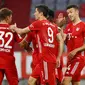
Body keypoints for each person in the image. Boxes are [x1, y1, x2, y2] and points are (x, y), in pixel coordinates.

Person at [10, 4, 64, 85]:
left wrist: (14, 28)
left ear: (41, 14)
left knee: (47, 83)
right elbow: (61, 40)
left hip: (46, 59)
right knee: (31, 81)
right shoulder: (54, 26)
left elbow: (21, 31)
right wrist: (58, 57)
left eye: (36, 12)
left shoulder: (38, 23)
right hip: (45, 59)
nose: (34, 14)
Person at [60, 5, 85, 85]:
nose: (69, 14)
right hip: (70, 59)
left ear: (77, 12)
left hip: (78, 58)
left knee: (65, 82)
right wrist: (61, 27)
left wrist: (76, 50)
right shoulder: (68, 26)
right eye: (68, 13)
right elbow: (63, 40)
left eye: (71, 12)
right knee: (75, 83)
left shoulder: (83, 26)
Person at [0, 8, 22, 85]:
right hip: (9, 62)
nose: (11, 19)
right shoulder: (12, 30)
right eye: (11, 17)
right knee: (14, 83)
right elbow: (22, 44)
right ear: (7, 17)